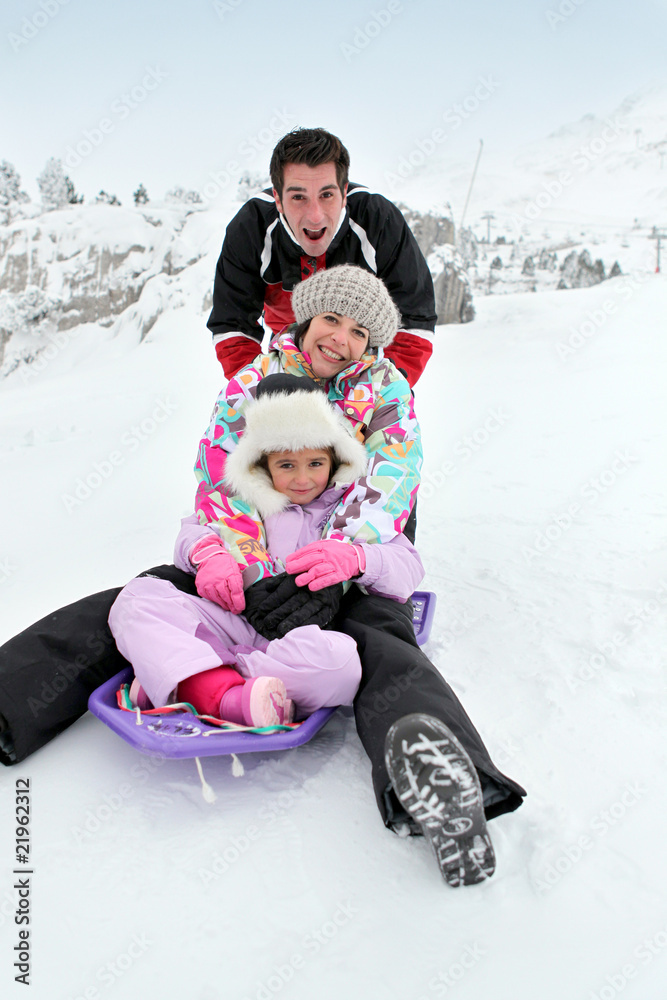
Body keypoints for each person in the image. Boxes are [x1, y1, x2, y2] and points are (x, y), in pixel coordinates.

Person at [191, 264, 526, 886]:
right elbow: (220, 471)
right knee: (142, 599)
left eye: (357, 330)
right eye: (330, 320)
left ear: (371, 343)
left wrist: (344, 558)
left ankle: (444, 780)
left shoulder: (386, 389)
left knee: (381, 643)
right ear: (306, 321)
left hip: (346, 559)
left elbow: (393, 473)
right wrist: (236, 561)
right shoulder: (253, 381)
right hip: (248, 558)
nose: (339, 338)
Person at [107, 376, 425, 727]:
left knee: (340, 663)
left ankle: (194, 679)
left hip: (301, 638)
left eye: (315, 463)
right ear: (264, 464)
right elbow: (193, 530)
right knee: (139, 597)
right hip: (236, 617)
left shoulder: (353, 511)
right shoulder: (246, 504)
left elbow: (406, 568)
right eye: (287, 465)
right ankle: (225, 692)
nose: (303, 479)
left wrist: (358, 559)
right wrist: (209, 556)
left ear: (334, 461)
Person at [209, 126, 437, 388]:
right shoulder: (252, 229)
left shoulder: (378, 222)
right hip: (285, 355)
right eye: (298, 197)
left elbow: (415, 319)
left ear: (343, 193)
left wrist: (382, 392)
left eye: (326, 195)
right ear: (278, 199)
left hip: (358, 360)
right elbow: (233, 325)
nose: (315, 216)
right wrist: (256, 390)